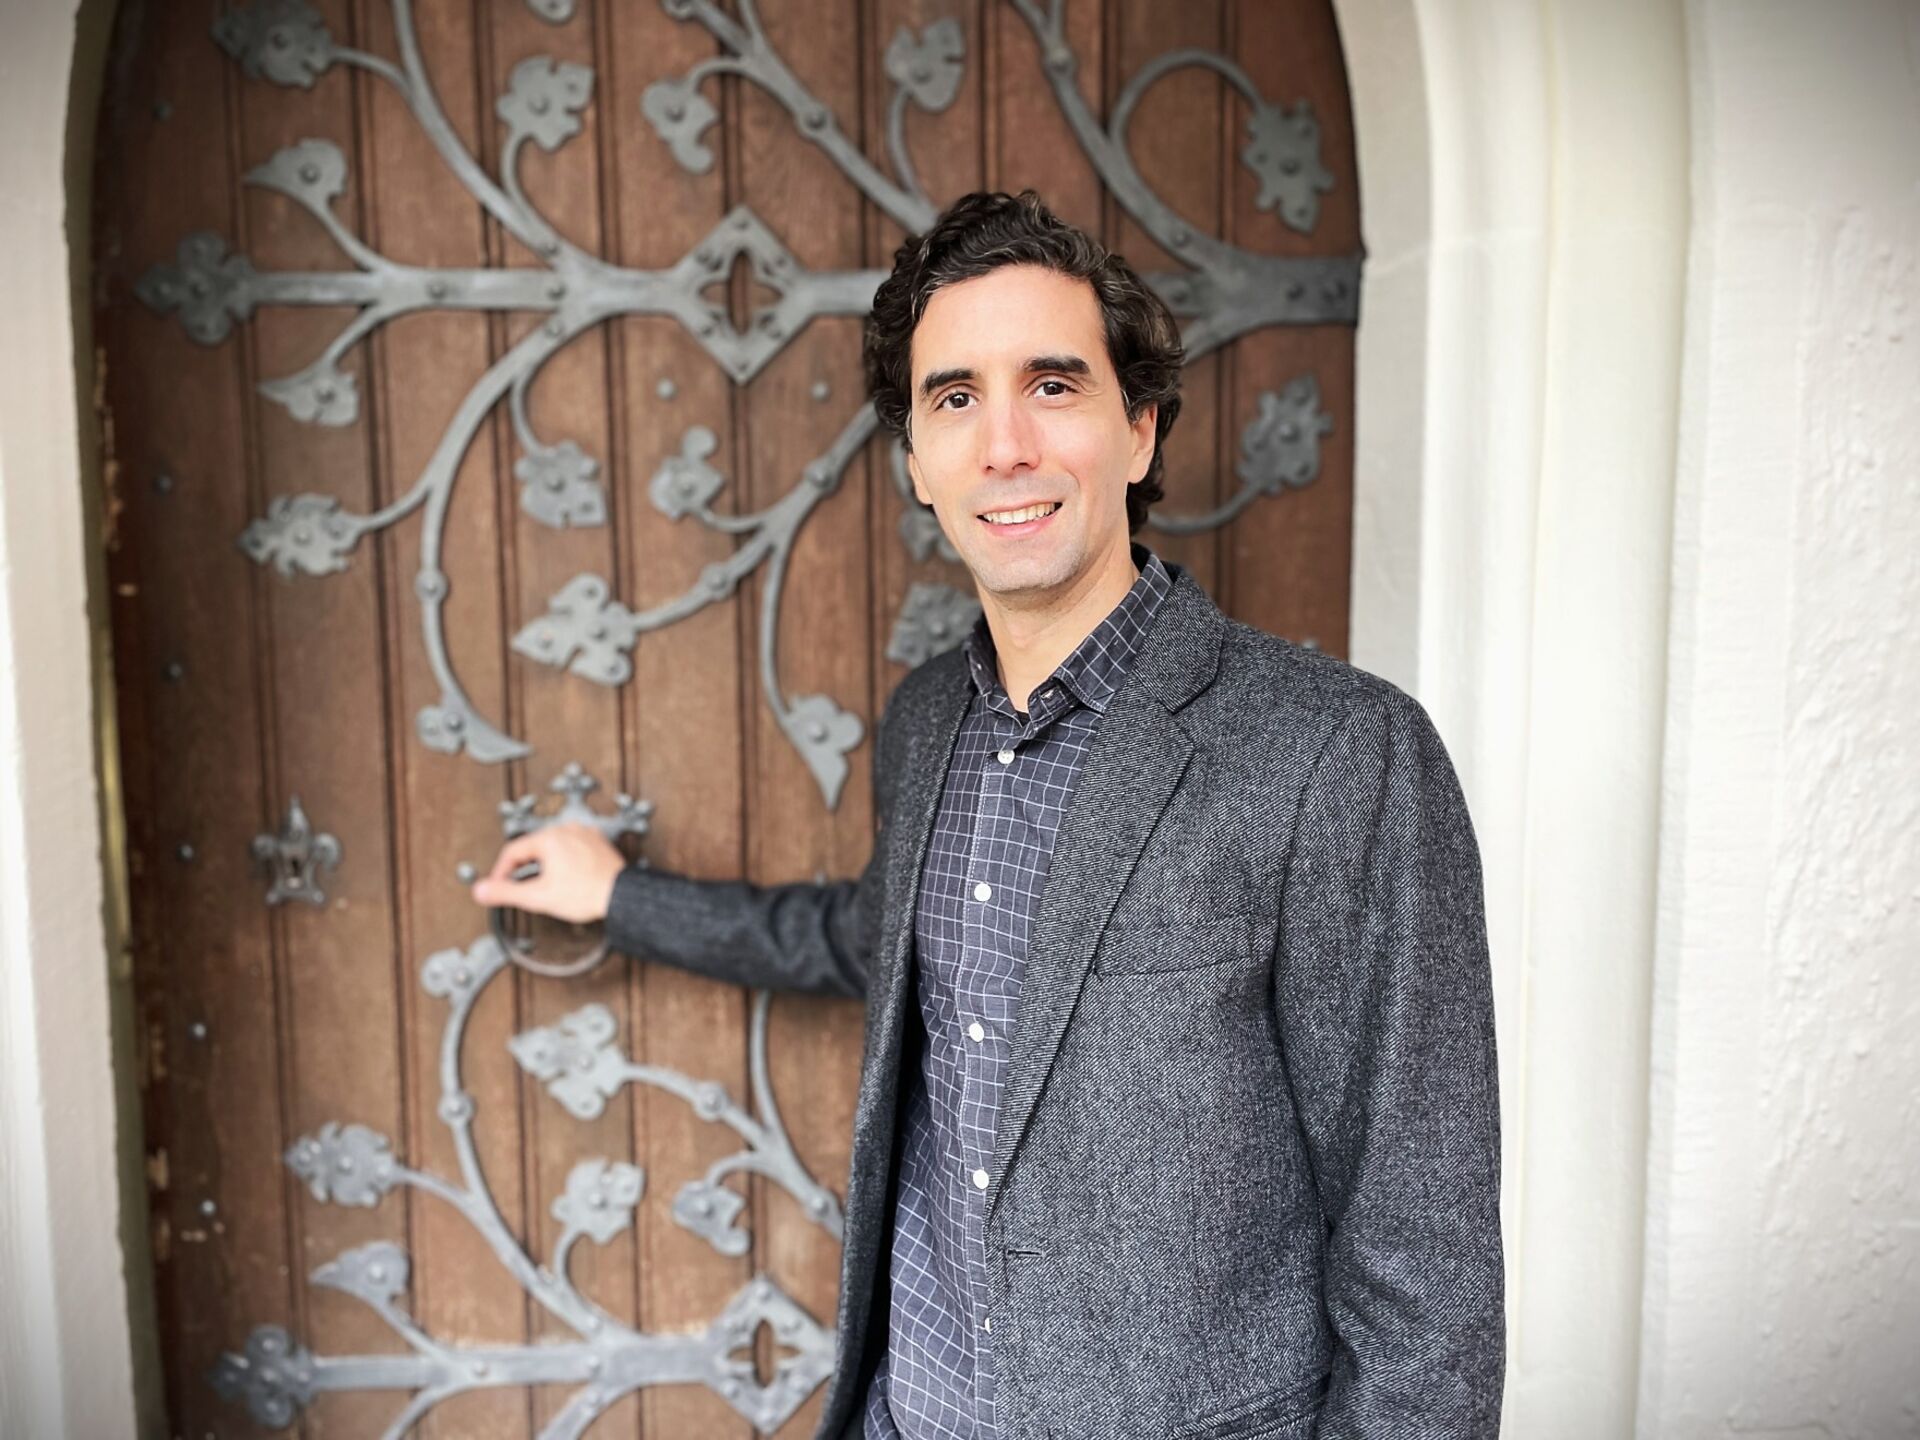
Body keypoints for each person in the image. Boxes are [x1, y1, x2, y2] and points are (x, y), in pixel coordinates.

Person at [472, 189, 1504, 1440]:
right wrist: (621, 897)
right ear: (917, 460)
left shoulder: (1338, 752)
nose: (1004, 444)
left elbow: (1425, 1269)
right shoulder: (925, 723)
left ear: (1140, 427)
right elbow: (868, 941)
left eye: (1053, 385)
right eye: (955, 398)